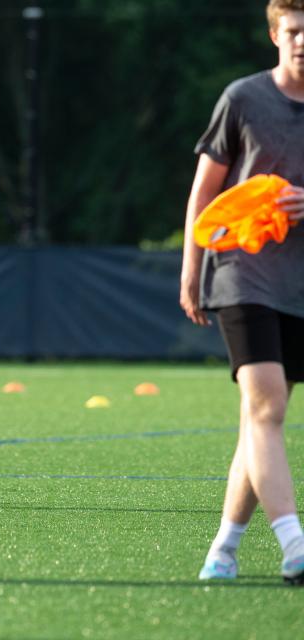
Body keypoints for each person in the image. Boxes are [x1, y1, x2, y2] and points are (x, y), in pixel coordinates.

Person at [181, 0, 304, 585]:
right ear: (276, 35)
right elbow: (203, 193)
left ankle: (223, 550)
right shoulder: (243, 99)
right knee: (268, 408)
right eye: (296, 32)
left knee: (260, 426)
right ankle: (295, 547)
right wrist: (191, 271)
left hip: (298, 285)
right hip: (240, 273)